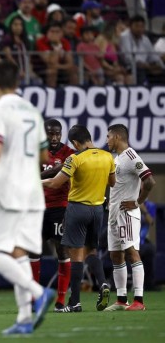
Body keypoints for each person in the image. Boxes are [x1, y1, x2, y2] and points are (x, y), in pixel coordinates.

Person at [0, 60, 54, 335]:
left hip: (7, 189)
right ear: (18, 82)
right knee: (18, 253)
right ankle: (25, 318)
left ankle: (38, 292)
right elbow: (43, 156)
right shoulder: (33, 111)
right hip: (33, 191)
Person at [42, 125, 116, 313]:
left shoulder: (74, 159)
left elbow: (55, 182)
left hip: (77, 209)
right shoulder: (107, 157)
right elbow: (112, 182)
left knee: (76, 256)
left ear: (75, 143)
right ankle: (103, 283)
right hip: (98, 210)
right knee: (91, 252)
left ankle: (75, 302)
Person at [104, 124, 156, 311]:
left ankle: (139, 301)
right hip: (114, 214)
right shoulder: (117, 159)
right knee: (115, 255)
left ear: (117, 137)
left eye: (108, 136)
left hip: (127, 214)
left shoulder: (131, 156)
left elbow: (149, 181)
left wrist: (137, 202)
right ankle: (121, 299)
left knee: (131, 253)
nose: (107, 140)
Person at [29, 119, 76, 311]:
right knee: (33, 251)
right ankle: (33, 299)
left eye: (58, 133)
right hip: (38, 207)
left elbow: (61, 172)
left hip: (60, 207)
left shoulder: (69, 153)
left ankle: (60, 300)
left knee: (62, 251)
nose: (54, 137)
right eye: (50, 133)